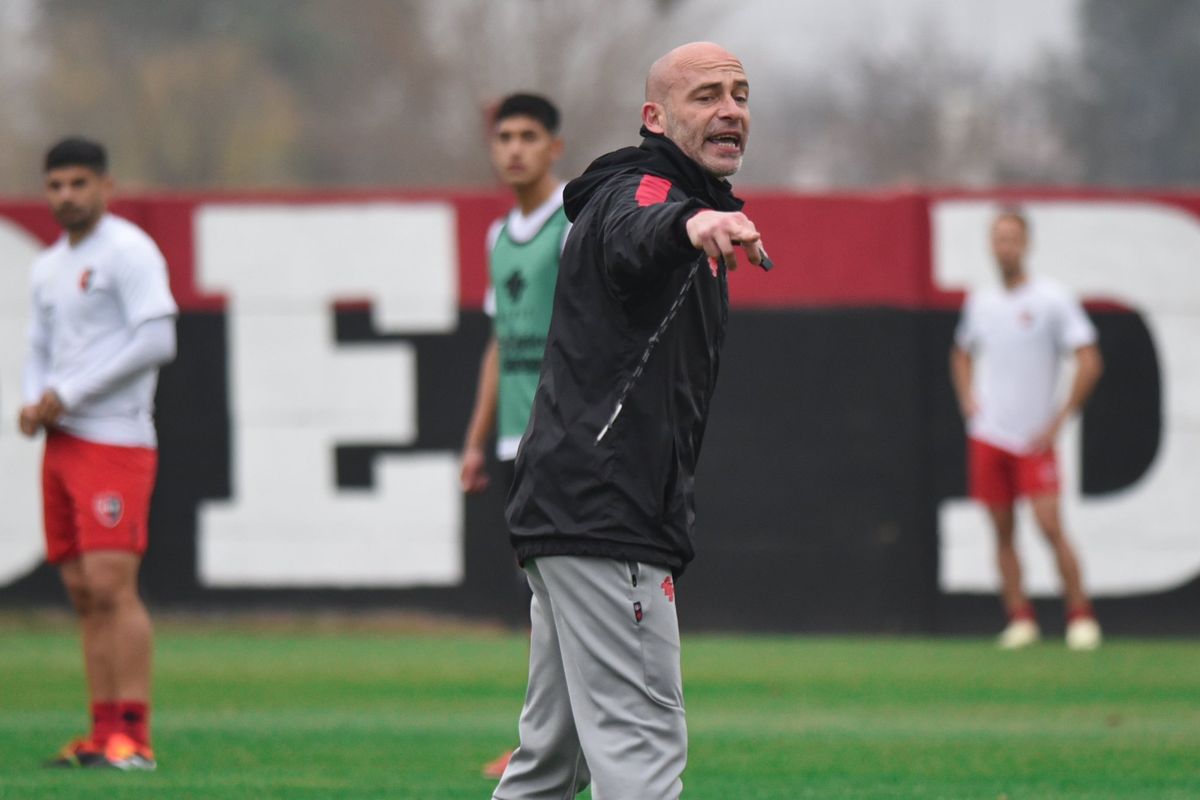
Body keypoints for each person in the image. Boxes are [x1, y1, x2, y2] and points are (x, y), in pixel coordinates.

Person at [494, 42, 768, 799]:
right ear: (655, 117)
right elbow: (638, 226)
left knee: (549, 767)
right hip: (608, 517)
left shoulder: (665, 192)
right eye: (706, 94)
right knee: (642, 754)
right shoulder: (645, 192)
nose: (731, 110)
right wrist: (693, 226)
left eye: (741, 94)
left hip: (570, 512)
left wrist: (699, 220)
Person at [20, 137, 177, 769]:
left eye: (78, 183)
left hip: (114, 437)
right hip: (63, 442)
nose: (66, 196)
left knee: (114, 585)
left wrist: (69, 392)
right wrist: (35, 400)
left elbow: (157, 339)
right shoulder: (48, 264)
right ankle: (100, 728)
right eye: (56, 185)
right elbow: (38, 347)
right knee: (83, 590)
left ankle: (133, 736)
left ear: (106, 187)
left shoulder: (129, 251)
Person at [459, 92, 569, 780]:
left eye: (530, 136)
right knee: (540, 603)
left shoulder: (574, 221)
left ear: (555, 146)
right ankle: (545, 743)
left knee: (567, 602)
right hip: (511, 445)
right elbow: (500, 345)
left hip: (564, 439)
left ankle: (560, 744)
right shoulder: (499, 237)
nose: (515, 149)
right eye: (504, 137)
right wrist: (475, 441)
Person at [950, 208, 1104, 651]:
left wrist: (1059, 419)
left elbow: (1089, 359)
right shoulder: (981, 301)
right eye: (999, 239)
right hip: (989, 434)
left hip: (1033, 436)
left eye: (1013, 238)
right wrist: (968, 401)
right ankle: (1020, 617)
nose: (1005, 247)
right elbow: (961, 353)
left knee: (1050, 524)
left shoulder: (1052, 299)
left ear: (1027, 244)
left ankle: (1080, 615)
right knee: (1001, 529)